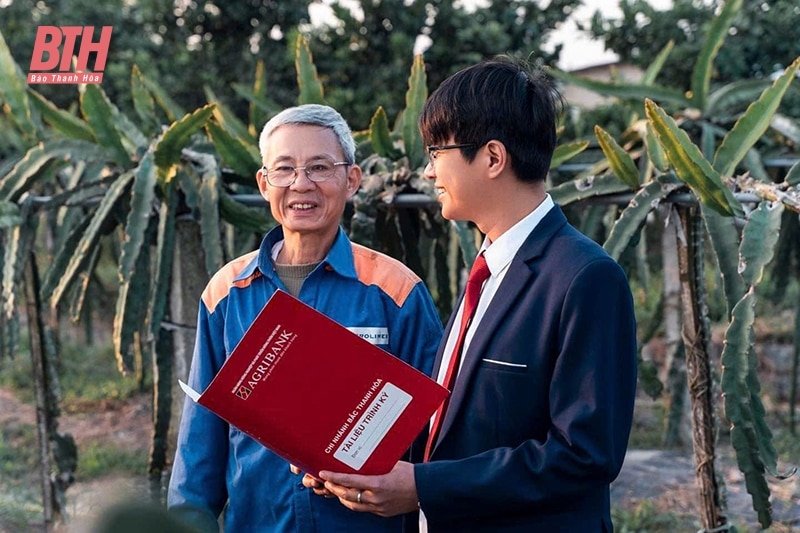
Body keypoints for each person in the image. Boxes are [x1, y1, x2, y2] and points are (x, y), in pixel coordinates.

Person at [318, 57, 638, 531]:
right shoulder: (488, 270)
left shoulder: (585, 277)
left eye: (436, 152)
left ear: (492, 157)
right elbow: (457, 426)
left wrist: (424, 487)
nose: (428, 173)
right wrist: (347, 459)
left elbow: (585, 456)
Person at [167, 104, 443, 532]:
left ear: (351, 180)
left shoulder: (395, 291)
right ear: (263, 182)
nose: (301, 184)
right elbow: (200, 444)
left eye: (319, 167)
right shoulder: (226, 293)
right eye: (284, 169)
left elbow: (434, 436)